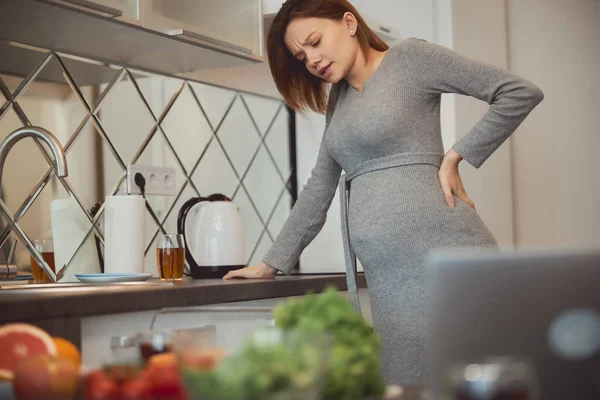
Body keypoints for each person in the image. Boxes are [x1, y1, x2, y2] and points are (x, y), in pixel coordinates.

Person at [223, 0, 544, 385]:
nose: (312, 59)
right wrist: (271, 263)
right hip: (388, 280)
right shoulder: (337, 102)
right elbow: (319, 187)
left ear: (348, 22)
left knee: (474, 383)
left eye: (315, 41)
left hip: (446, 257)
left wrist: (457, 156)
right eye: (301, 55)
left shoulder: (411, 58)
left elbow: (518, 92)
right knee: (409, 386)